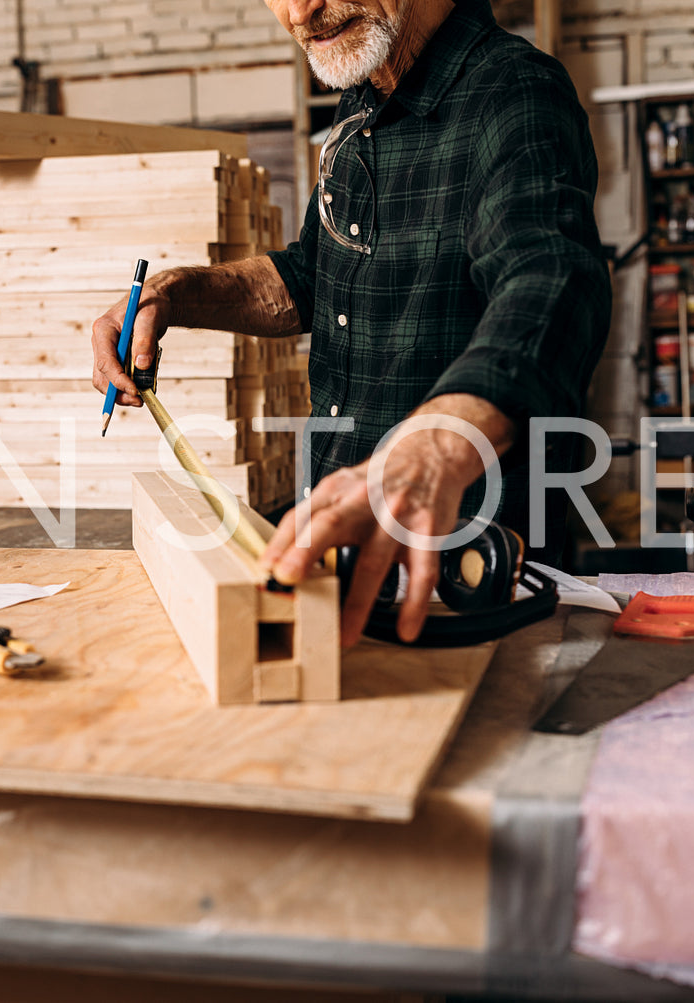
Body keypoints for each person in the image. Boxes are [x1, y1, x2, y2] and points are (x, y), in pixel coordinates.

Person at [91, 0, 611, 645]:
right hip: (345, 544)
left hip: (463, 571)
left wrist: (438, 447)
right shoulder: (363, 98)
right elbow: (313, 275)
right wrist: (172, 295)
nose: (301, 10)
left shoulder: (514, 90)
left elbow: (553, 279)